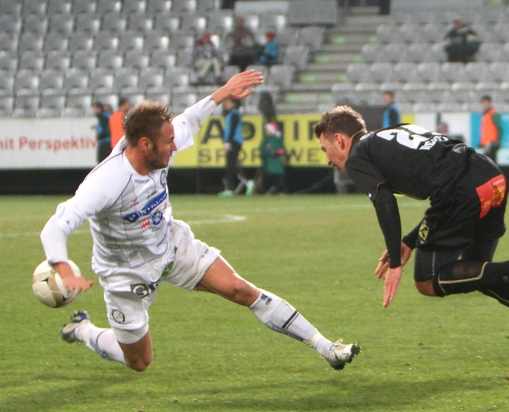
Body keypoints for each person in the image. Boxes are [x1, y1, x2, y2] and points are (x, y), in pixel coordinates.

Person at [40, 70, 360, 373]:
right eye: (168, 142)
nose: (175, 145)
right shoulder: (107, 181)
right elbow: (56, 225)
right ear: (145, 145)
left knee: (240, 288)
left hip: (173, 247)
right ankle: (83, 330)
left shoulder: (159, 142)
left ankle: (327, 348)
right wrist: (65, 270)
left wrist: (223, 93)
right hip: (125, 273)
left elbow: (190, 118)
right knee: (138, 361)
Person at [314, 105, 509, 370]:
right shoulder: (394, 132)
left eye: (326, 149)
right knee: (476, 274)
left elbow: (384, 202)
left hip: (461, 191)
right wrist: (409, 240)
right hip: (490, 177)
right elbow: (442, 176)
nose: (328, 160)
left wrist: (395, 263)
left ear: (339, 140)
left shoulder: (357, 156)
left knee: (427, 281)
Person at [219, 98, 254, 197]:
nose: (226, 104)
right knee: (232, 165)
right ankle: (238, 185)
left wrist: (228, 142)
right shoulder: (232, 114)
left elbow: (232, 130)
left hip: (234, 142)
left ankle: (233, 187)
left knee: (231, 165)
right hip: (233, 142)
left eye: (228, 102)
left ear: (233, 103)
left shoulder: (234, 114)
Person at [258, 122, 287, 194]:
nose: (266, 132)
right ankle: (268, 190)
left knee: (278, 178)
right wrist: (269, 153)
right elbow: (262, 150)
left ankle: (277, 190)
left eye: (267, 130)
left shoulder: (277, 140)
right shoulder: (265, 140)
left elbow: (283, 150)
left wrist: (276, 152)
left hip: (277, 163)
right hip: (268, 163)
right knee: (267, 177)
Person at [478, 95, 502, 163]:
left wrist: (498, 140)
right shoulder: (485, 115)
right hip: (486, 144)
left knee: (490, 163)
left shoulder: (493, 114)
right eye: (483, 103)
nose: (485, 105)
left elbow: (499, 128)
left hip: (491, 143)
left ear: (490, 103)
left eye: (486, 103)